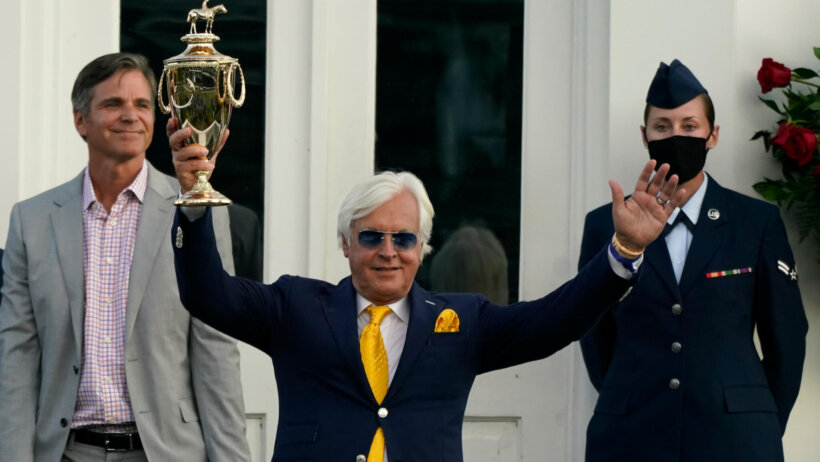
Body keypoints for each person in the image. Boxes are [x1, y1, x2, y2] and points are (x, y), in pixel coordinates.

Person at [169, 111, 685, 461]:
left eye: (403, 238)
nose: (388, 251)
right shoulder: (296, 306)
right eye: (371, 236)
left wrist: (624, 251)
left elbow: (554, 320)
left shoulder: (462, 321)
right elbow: (209, 295)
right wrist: (194, 206)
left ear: (423, 247)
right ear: (345, 244)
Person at [0, 53, 251, 462]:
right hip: (66, 452)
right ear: (81, 121)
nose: (130, 115)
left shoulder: (194, 212)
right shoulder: (32, 221)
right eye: (113, 104)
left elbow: (216, 352)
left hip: (165, 453)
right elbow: (17, 354)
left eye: (142, 104)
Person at [579, 59, 807, 462]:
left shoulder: (755, 223)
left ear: (712, 135)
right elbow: (594, 333)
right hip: (632, 437)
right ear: (645, 136)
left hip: (736, 440)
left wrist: (759, 418)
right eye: (662, 127)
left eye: (689, 126)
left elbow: (786, 339)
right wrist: (627, 398)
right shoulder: (605, 224)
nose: (676, 136)